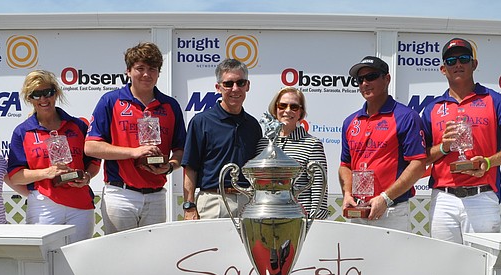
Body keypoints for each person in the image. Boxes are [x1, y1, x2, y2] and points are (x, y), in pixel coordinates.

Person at [422, 38, 501, 244]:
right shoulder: (432, 108)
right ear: (442, 69)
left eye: (464, 59)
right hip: (444, 199)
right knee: (444, 265)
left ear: (474, 64)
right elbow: (421, 158)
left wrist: (488, 162)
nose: (457, 64)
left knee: (483, 264)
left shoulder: (494, 100)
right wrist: (443, 148)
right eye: (451, 60)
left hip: (482, 196)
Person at [85, 42, 186, 233]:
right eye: (140, 68)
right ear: (128, 71)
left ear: (158, 73)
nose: (146, 74)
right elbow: (91, 147)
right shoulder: (111, 101)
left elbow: (181, 149)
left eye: (152, 69)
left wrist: (170, 165)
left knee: (151, 256)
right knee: (119, 255)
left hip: (156, 195)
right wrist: (134, 152)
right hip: (121, 194)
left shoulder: (170, 105)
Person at [7, 70, 100, 243]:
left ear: (56, 93)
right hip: (44, 205)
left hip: (80, 204)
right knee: (44, 261)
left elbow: (93, 162)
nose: (43, 99)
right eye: (36, 94)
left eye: (47, 92)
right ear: (29, 98)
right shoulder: (22, 132)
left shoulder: (78, 125)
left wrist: (87, 176)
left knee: (79, 260)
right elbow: (16, 176)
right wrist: (46, 173)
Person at [339, 56, 427, 232]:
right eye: (359, 79)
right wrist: (347, 193)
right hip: (359, 209)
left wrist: (385, 198)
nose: (364, 83)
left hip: (391, 211)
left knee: (393, 261)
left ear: (387, 79)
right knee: (359, 260)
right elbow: (345, 165)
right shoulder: (350, 121)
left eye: (371, 76)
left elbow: (418, 165)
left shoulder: (406, 117)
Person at [181, 58, 262, 220]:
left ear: (248, 86)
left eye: (240, 82)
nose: (235, 89)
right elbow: (190, 167)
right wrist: (189, 206)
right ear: (218, 88)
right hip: (213, 201)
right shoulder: (201, 122)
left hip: (247, 201)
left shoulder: (253, 125)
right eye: (228, 84)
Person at [255, 87, 328, 219]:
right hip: (265, 217)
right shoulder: (263, 144)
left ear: (301, 112)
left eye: (294, 107)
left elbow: (319, 190)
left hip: (298, 221)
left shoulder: (312, 144)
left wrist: (313, 222)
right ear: (275, 109)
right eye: (282, 106)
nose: (287, 111)